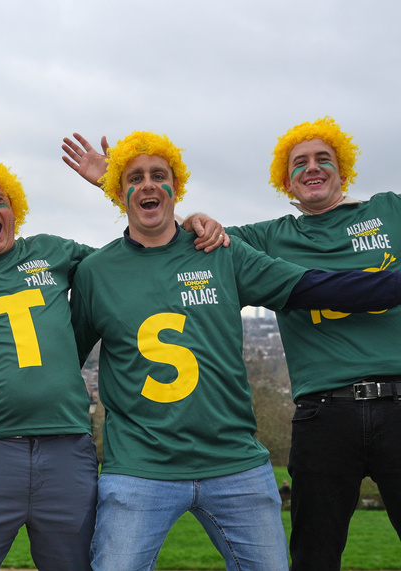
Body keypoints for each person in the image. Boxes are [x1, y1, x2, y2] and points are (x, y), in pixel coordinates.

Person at [64, 121, 401, 568]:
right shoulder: (99, 270)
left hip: (235, 463)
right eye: (134, 178)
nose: (148, 185)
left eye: (159, 175)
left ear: (177, 185)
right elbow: (66, 359)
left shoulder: (220, 250)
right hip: (141, 468)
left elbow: (318, 288)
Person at [0, 158, 224, 571]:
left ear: (16, 209)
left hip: (67, 450)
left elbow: (131, 258)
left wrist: (180, 216)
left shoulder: (52, 250)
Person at [226, 117, 401, 568]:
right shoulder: (270, 237)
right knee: (313, 557)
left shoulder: (390, 210)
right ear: (285, 180)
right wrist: (119, 183)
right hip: (323, 415)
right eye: (299, 162)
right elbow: (186, 238)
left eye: (324, 158)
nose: (312, 168)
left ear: (343, 170)